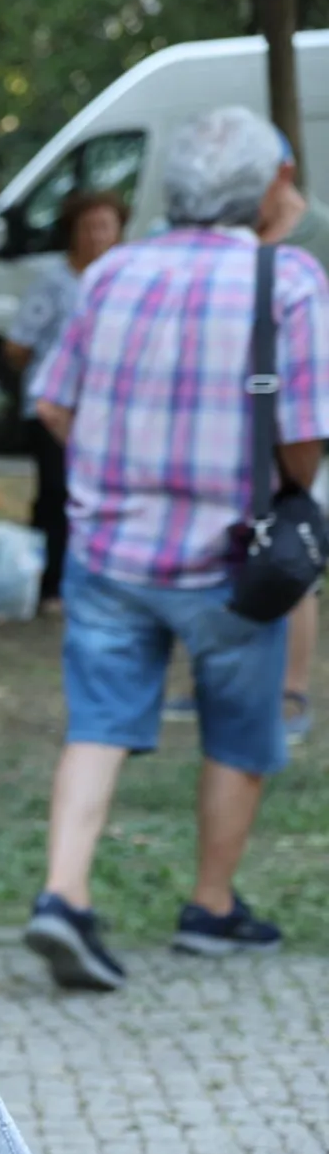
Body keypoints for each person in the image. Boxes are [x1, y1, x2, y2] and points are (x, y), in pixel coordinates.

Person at [23, 107, 329, 991]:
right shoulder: (287, 278)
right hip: (233, 559)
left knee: (99, 724)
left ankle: (63, 893)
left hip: (110, 549)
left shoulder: (114, 271)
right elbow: (302, 441)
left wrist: (114, 460)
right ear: (268, 186)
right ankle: (211, 906)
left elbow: (53, 403)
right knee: (239, 730)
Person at [2, 190, 127, 612]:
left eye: (105, 227)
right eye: (88, 227)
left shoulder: (124, 278)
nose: (97, 236)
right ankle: (50, 584)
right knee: (56, 492)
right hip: (52, 406)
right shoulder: (52, 282)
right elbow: (17, 346)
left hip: (106, 409)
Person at [258, 132, 329, 743]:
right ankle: (227, 685)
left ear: (283, 172)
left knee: (294, 550)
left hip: (309, 420)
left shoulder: (319, 235)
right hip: (242, 419)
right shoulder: (245, 235)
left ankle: (292, 693)